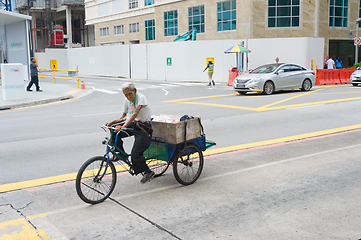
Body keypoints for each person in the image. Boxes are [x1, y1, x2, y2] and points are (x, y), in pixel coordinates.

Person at [105, 82, 154, 184]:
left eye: (129, 94)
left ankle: (148, 172)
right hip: (134, 124)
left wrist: (123, 126)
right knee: (113, 130)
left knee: (135, 154)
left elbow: (134, 114)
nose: (128, 97)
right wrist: (112, 123)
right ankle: (121, 154)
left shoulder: (141, 98)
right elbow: (123, 117)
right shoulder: (127, 100)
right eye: (125, 95)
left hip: (144, 127)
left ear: (135, 91)